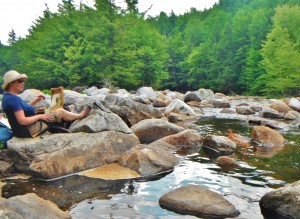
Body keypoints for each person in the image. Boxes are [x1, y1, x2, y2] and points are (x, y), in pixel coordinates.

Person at [1, 70, 91, 138]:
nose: (23, 83)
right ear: (11, 83)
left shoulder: (8, 97)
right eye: (20, 81)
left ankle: (65, 121)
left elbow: (22, 108)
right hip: (29, 130)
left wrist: (36, 101)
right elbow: (22, 120)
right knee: (59, 111)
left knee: (53, 108)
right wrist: (40, 117)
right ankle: (79, 115)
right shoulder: (13, 99)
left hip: (22, 130)